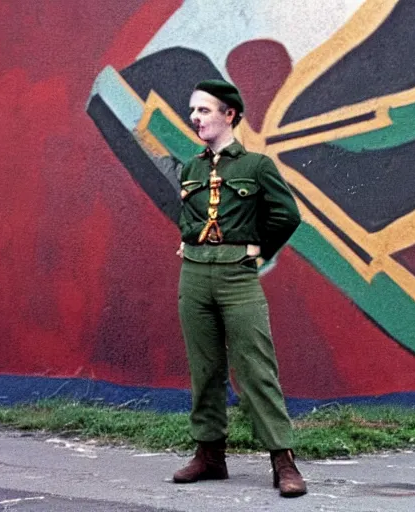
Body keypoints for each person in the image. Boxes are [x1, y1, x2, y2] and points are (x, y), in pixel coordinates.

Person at [173, 79, 307, 498]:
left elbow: (287, 215)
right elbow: (190, 214)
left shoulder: (257, 166)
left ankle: (283, 460)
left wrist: (258, 249)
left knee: (256, 367)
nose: (196, 118)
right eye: (193, 111)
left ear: (229, 114)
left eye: (205, 110)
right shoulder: (191, 168)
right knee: (204, 368)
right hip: (194, 274)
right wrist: (188, 238)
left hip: (237, 275)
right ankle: (210, 455)